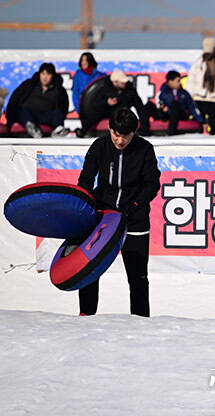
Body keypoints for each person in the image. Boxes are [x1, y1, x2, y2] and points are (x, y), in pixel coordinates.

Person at [77, 108, 161, 317]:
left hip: (134, 220)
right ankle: (86, 316)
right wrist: (85, 205)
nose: (120, 140)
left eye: (126, 136)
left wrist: (133, 206)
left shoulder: (145, 149)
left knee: (138, 276)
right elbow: (86, 180)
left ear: (134, 132)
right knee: (89, 271)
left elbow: (152, 185)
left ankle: (141, 321)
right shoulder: (99, 146)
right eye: (116, 134)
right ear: (110, 129)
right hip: (102, 218)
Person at [77, 69, 151, 137]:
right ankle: (84, 131)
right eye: (122, 82)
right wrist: (107, 102)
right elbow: (94, 105)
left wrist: (144, 127)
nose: (125, 83)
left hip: (123, 112)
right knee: (95, 112)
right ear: (115, 82)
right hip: (106, 111)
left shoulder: (130, 90)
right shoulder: (104, 88)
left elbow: (140, 107)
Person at [185, 36, 215, 135]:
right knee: (198, 125)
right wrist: (188, 97)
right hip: (199, 98)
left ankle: (214, 146)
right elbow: (191, 81)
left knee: (214, 126)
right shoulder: (197, 64)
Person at [6, 62, 69, 138]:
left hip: (46, 115)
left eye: (48, 74)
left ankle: (58, 130)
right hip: (29, 113)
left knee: (57, 113)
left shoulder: (59, 90)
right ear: (39, 74)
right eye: (43, 74)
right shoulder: (29, 84)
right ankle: (31, 128)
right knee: (23, 111)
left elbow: (64, 107)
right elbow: (14, 99)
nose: (45, 77)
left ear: (53, 76)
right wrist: (10, 119)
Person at [156, 70, 203, 135]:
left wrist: (201, 121)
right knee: (149, 105)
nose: (179, 83)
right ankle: (144, 130)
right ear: (170, 82)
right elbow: (159, 104)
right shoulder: (162, 93)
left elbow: (192, 107)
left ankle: (172, 129)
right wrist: (163, 109)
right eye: (178, 81)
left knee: (175, 104)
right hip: (166, 115)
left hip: (180, 114)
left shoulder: (184, 93)